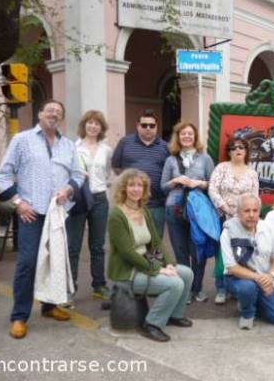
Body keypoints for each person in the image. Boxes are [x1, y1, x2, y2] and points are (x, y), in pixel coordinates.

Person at [0, 99, 85, 339]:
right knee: (28, 263)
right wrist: (19, 203)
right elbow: (3, 175)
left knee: (54, 261)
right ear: (40, 114)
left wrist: (67, 190)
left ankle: (49, 306)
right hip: (31, 213)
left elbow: (78, 174)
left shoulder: (68, 145)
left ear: (61, 118)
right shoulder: (22, 140)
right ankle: (19, 316)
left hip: (58, 213)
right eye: (50, 110)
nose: (54, 114)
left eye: (59, 111)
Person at [108, 169, 193, 343]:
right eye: (131, 185)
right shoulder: (117, 215)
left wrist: (169, 264)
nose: (136, 189)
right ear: (124, 188)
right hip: (127, 272)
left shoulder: (143, 210)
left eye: (139, 185)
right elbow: (128, 253)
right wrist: (158, 270)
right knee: (175, 284)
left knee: (186, 273)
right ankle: (152, 325)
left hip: (146, 263)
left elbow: (156, 242)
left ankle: (174, 315)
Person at [161, 122, 215, 302]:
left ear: (195, 136)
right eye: (183, 134)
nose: (186, 137)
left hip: (197, 210)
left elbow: (213, 184)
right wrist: (176, 180)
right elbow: (163, 187)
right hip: (173, 208)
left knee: (197, 250)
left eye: (190, 134)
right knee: (180, 251)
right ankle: (185, 290)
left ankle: (197, 288)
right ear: (178, 137)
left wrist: (199, 183)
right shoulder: (170, 160)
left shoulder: (205, 158)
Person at [221, 193, 274, 330]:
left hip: (264, 277)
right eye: (246, 211)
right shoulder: (228, 232)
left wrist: (271, 276)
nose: (251, 215)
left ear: (259, 212)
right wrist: (261, 279)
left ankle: (248, 301)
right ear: (238, 213)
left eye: (255, 210)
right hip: (237, 279)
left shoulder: (269, 228)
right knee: (247, 288)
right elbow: (233, 268)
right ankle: (247, 313)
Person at [66, 110, 112, 302]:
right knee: (73, 246)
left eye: (97, 123)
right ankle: (70, 288)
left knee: (98, 245)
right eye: (90, 123)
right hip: (78, 198)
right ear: (84, 125)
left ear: (101, 128)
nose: (93, 126)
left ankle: (99, 285)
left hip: (100, 198)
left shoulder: (106, 150)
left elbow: (107, 174)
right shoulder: (72, 148)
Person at [208, 136, 259, 304]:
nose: (238, 150)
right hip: (222, 217)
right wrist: (225, 208)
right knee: (222, 253)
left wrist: (246, 215)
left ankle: (238, 288)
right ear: (229, 152)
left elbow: (254, 196)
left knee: (242, 253)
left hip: (243, 220)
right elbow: (212, 189)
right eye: (234, 147)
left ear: (246, 151)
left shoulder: (252, 173)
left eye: (242, 147)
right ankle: (221, 288)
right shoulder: (222, 168)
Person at [111, 112, 169, 237]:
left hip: (156, 205)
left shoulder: (165, 147)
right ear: (138, 126)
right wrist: (130, 182)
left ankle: (153, 257)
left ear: (156, 126)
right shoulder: (125, 142)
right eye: (144, 125)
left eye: (151, 125)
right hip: (130, 204)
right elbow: (116, 166)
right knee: (131, 239)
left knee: (155, 241)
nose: (148, 128)